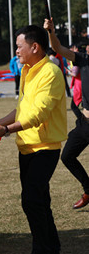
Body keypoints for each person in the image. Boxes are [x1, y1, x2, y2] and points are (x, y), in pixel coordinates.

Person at [0, 24, 66, 254]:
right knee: (40, 200)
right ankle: (53, 249)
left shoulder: (51, 73)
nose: (16, 51)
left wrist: (7, 130)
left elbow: (39, 113)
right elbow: (22, 109)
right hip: (27, 147)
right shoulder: (26, 70)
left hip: (45, 146)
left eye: (18, 46)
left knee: (32, 200)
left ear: (35, 46)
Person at [45, 18, 89, 209]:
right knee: (68, 156)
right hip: (85, 123)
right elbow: (59, 48)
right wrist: (51, 32)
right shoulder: (84, 60)